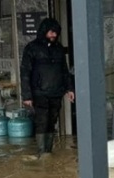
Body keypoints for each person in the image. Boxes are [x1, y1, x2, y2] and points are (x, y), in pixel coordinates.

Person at [20, 17, 75, 157]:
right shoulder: (32, 48)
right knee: (42, 122)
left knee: (51, 122)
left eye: (56, 32)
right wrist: (27, 96)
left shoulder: (58, 49)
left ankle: (47, 152)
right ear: (45, 31)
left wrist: (69, 89)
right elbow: (25, 72)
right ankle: (41, 151)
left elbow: (64, 70)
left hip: (56, 93)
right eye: (51, 32)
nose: (54, 35)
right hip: (39, 93)